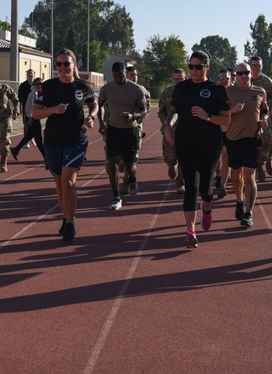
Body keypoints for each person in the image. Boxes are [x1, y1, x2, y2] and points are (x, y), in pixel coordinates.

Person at [163, 51, 230, 248]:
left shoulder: (216, 89)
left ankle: (207, 209)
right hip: (186, 142)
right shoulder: (182, 87)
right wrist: (168, 126)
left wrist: (207, 116)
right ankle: (190, 232)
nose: (193, 70)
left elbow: (226, 120)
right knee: (191, 186)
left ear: (207, 67)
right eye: (191, 67)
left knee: (206, 190)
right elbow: (173, 111)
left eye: (198, 67)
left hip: (210, 144)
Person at [33, 49, 97, 241]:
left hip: (76, 140)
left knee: (69, 182)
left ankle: (70, 224)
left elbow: (94, 103)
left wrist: (91, 116)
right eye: (59, 64)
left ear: (74, 65)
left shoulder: (83, 86)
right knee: (60, 185)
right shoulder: (47, 87)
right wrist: (54, 109)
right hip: (52, 141)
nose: (62, 68)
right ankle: (66, 216)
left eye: (66, 64)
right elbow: (36, 113)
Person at [98, 61, 148, 210]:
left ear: (125, 73)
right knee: (111, 163)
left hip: (130, 130)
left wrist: (133, 116)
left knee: (129, 164)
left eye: (120, 76)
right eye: (115, 76)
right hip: (113, 129)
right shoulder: (107, 89)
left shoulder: (136, 89)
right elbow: (98, 105)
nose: (118, 79)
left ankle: (132, 180)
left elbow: (144, 111)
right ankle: (116, 197)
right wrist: (100, 123)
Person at [225, 62, 269, 228]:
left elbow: (264, 110)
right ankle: (239, 200)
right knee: (236, 177)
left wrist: (264, 120)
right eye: (240, 73)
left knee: (250, 176)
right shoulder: (228, 92)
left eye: (247, 73)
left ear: (252, 73)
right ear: (235, 75)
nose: (244, 76)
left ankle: (249, 213)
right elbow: (220, 113)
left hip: (253, 139)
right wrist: (232, 111)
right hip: (233, 139)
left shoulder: (260, 91)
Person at [248, 56, 272, 182]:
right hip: (248, 119)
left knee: (268, 143)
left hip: (263, 118)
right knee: (249, 144)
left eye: (258, 65)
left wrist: (267, 114)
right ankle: (252, 168)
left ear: (262, 67)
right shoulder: (244, 79)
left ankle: (260, 162)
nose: (255, 68)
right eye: (253, 65)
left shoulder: (268, 82)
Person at [157, 68, 186, 195]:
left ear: (185, 78)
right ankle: (171, 165)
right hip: (170, 131)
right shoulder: (167, 92)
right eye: (176, 79)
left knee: (184, 158)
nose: (178, 81)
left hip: (185, 131)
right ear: (172, 79)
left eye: (181, 79)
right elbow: (161, 111)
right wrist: (166, 123)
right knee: (171, 158)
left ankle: (181, 184)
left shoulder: (190, 91)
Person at [10, 77, 44, 160]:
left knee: (29, 135)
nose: (39, 85)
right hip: (33, 118)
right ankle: (46, 157)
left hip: (36, 117)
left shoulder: (39, 93)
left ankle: (16, 149)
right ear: (34, 84)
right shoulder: (33, 93)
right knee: (38, 139)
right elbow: (28, 107)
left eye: (41, 84)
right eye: (37, 84)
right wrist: (30, 117)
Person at [212, 67, 234, 198]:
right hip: (215, 129)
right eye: (220, 78)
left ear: (231, 79)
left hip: (230, 130)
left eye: (225, 78)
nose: (222, 81)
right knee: (215, 159)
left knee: (226, 157)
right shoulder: (213, 92)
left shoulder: (235, 93)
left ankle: (222, 186)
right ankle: (219, 175)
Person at [17, 69, 36, 148]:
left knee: (35, 124)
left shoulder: (37, 84)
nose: (30, 74)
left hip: (36, 108)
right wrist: (20, 108)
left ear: (34, 74)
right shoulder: (23, 85)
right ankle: (26, 141)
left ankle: (32, 138)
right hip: (26, 108)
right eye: (28, 73)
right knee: (26, 124)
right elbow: (19, 98)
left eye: (31, 73)